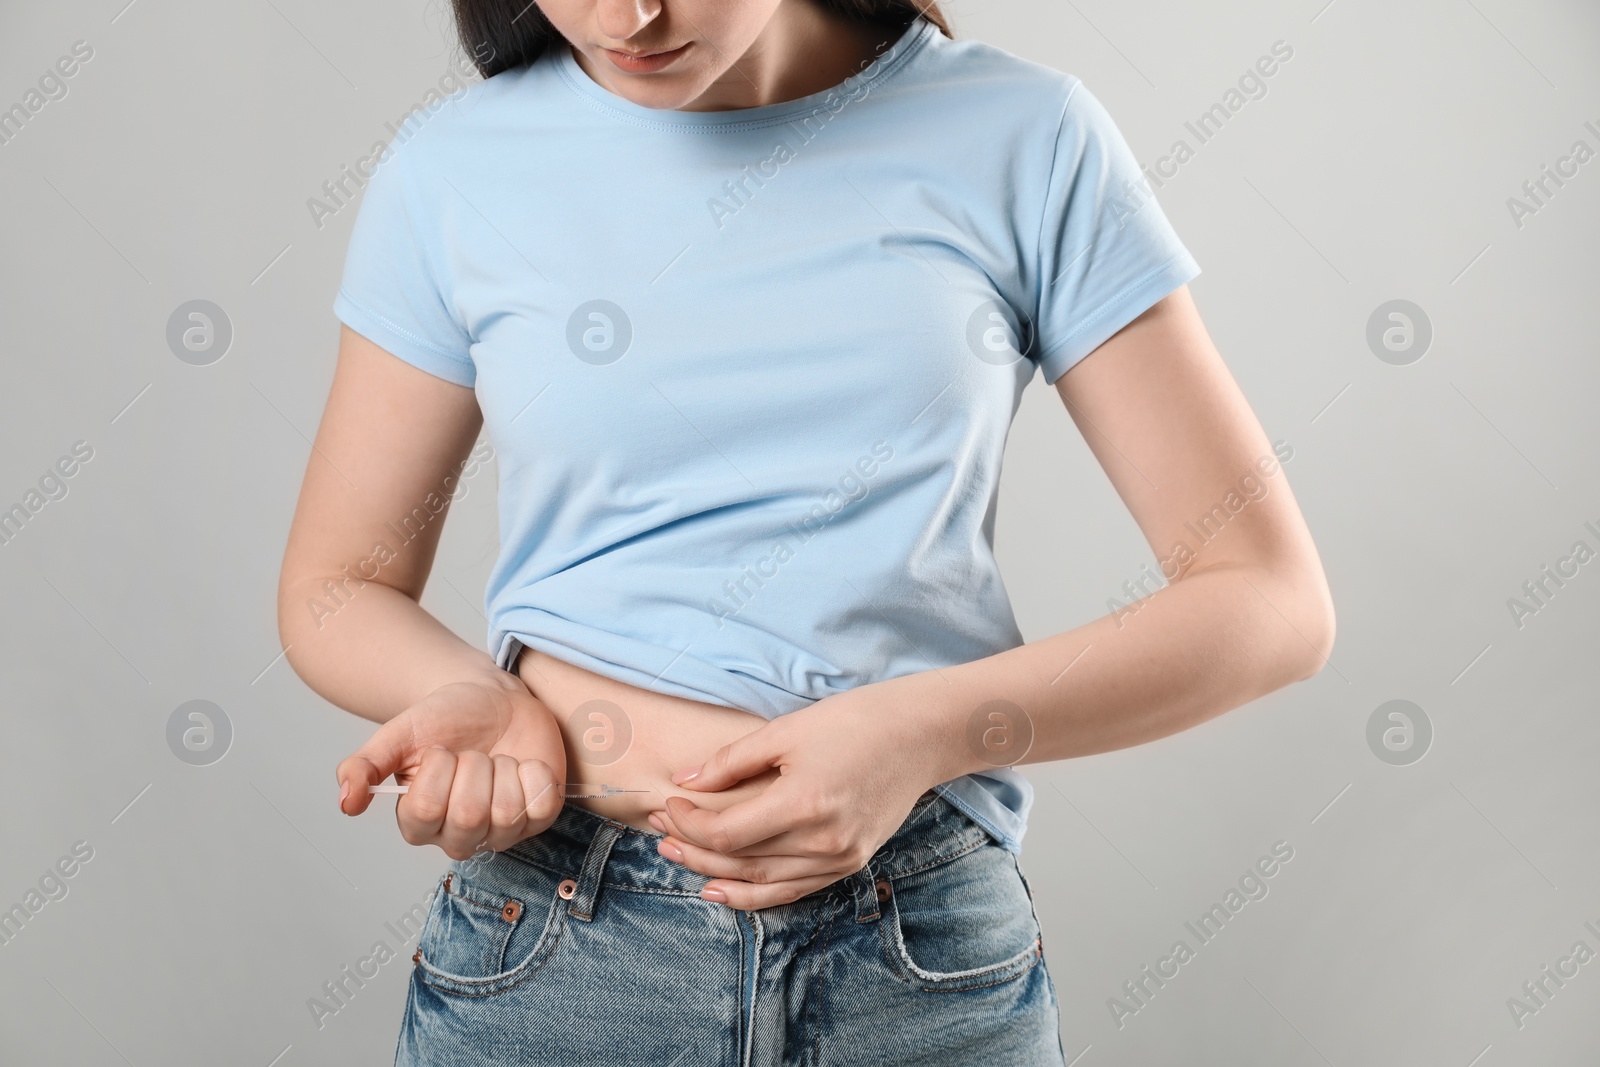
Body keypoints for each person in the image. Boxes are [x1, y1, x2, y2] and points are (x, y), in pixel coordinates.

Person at [276, 1, 1336, 1063]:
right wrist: (476, 699)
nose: (629, 15)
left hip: (915, 960)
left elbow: (1269, 599)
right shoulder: (457, 168)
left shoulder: (1025, 134)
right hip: (555, 947)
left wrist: (922, 730)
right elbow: (336, 583)